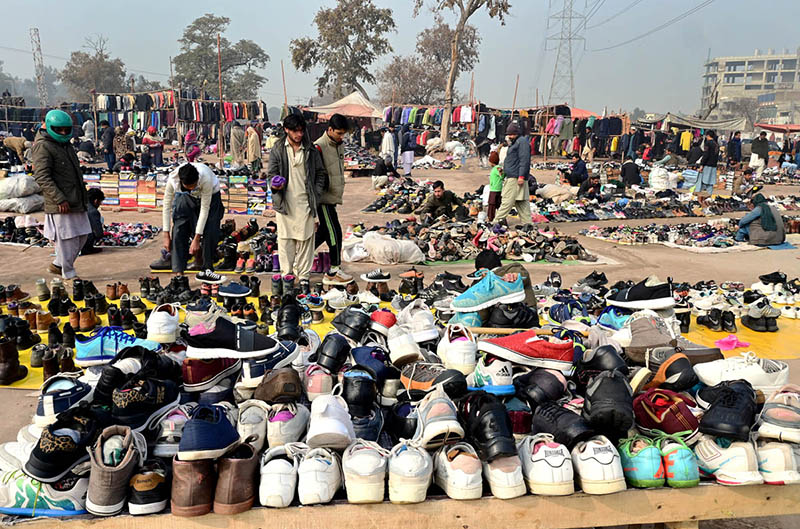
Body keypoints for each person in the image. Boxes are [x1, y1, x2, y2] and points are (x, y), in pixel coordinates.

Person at [267, 114, 327, 291]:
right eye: (295, 131)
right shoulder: (278, 149)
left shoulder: (311, 149)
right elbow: (271, 174)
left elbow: (320, 173)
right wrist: (275, 184)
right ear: (286, 130)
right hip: (285, 202)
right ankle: (287, 275)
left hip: (306, 201)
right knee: (285, 241)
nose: (299, 134)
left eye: (301, 131)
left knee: (306, 240)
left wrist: (316, 193)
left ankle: (304, 277)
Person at [32, 110, 90, 280]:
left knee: (82, 234)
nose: (64, 133)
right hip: (61, 201)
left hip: (75, 197)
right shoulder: (43, 146)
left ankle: (58, 264)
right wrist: (59, 198)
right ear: (50, 128)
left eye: (66, 129)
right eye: (59, 130)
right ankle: (69, 274)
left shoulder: (65, 144)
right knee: (67, 238)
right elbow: (42, 176)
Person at [162, 162, 224, 275]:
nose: (192, 188)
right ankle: (179, 273)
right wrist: (166, 234)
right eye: (189, 187)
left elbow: (205, 210)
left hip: (211, 196)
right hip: (185, 197)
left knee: (210, 230)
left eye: (194, 186)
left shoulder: (205, 179)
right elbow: (166, 206)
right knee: (179, 226)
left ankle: (207, 269)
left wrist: (196, 239)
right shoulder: (172, 180)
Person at [314, 113, 353, 286]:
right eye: (338, 133)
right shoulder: (319, 146)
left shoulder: (339, 145)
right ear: (329, 129)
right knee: (334, 232)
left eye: (343, 134)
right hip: (323, 198)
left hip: (334, 196)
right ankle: (334, 270)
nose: (341, 137)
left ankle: (300, 258)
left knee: (324, 231)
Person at [494, 122, 532, 223]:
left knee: (507, 201)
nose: (509, 136)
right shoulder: (516, 142)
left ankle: (496, 222)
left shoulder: (522, 142)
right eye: (508, 134)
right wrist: (505, 170)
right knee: (521, 202)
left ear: (516, 133)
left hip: (516, 178)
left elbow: (524, 160)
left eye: (511, 134)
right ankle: (528, 224)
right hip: (514, 176)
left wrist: (521, 176)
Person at [81, 188, 105, 255]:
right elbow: (99, 233)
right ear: (96, 201)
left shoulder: (81, 205)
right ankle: (87, 248)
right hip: (83, 242)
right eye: (100, 202)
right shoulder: (93, 211)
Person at [486, 151, 503, 221]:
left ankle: (490, 218)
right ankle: (501, 219)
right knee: (498, 205)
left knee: (491, 204)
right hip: (498, 189)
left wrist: (501, 172)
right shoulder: (496, 168)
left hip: (494, 189)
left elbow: (501, 172)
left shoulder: (497, 168)